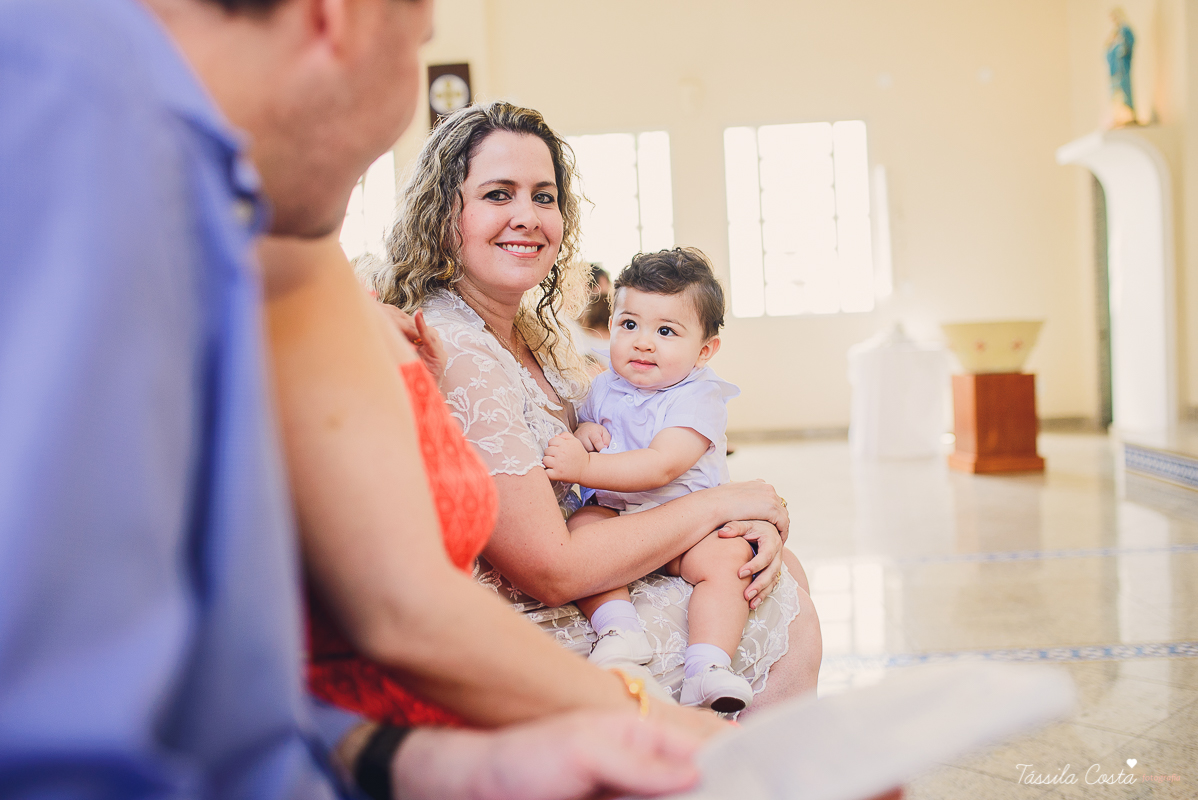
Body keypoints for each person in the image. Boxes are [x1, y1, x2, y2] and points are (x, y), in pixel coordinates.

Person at [0, 0, 708, 796]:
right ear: (338, 18)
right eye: (418, 47)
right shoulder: (74, 122)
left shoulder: (263, 218)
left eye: (545, 197)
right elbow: (64, 727)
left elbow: (235, 700)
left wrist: (437, 765)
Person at [362, 101, 822, 711]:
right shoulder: (457, 348)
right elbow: (549, 568)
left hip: (598, 574)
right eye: (499, 194)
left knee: (762, 565)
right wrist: (727, 501)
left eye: (544, 196)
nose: (528, 217)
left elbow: (633, 456)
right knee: (770, 593)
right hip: (529, 617)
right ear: (446, 211)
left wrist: (743, 523)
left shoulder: (540, 337)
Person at [543, 246, 758, 713]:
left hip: (688, 526)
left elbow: (661, 465)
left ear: (704, 351)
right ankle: (620, 630)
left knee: (730, 560)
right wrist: (585, 432)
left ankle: (709, 664)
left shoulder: (700, 397)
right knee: (582, 528)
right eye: (629, 325)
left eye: (665, 331)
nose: (642, 342)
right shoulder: (603, 384)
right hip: (620, 517)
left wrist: (584, 467)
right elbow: (590, 428)